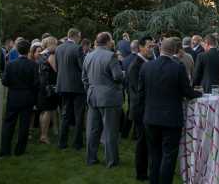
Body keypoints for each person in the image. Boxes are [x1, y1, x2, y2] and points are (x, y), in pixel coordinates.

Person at [138, 37, 202, 184]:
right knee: (168, 156)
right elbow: (187, 91)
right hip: (171, 119)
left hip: (151, 117)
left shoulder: (146, 67)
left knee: (154, 154)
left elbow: (141, 93)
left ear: (160, 49)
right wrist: (200, 93)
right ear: (174, 50)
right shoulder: (178, 67)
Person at [82, 31, 124, 167]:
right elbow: (117, 76)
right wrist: (124, 72)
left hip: (93, 95)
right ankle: (111, 161)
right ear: (107, 41)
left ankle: (91, 158)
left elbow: (84, 78)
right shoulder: (111, 56)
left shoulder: (88, 56)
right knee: (110, 131)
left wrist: (91, 89)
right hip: (109, 97)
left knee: (92, 130)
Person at [0, 38, 39, 156]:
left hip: (13, 96)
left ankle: (5, 150)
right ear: (28, 51)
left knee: (9, 123)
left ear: (17, 50)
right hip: (27, 97)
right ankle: (20, 150)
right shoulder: (33, 65)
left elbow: (5, 81)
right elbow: (36, 83)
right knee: (24, 124)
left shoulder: (11, 65)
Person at [128, 37, 155, 181]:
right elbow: (137, 91)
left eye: (153, 46)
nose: (152, 49)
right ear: (141, 48)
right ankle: (141, 173)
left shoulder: (148, 63)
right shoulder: (135, 66)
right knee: (142, 143)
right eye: (149, 46)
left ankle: (149, 170)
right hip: (141, 110)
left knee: (148, 142)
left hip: (148, 109)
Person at [55, 28, 86, 151]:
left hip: (63, 85)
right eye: (79, 36)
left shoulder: (59, 48)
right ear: (76, 36)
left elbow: (57, 67)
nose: (80, 39)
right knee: (79, 115)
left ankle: (62, 142)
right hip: (77, 86)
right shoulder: (77, 48)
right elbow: (83, 67)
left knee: (65, 114)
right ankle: (77, 143)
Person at [37, 36, 59, 144]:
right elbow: (56, 70)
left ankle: (42, 134)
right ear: (50, 44)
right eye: (55, 44)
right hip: (49, 87)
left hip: (42, 86)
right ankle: (44, 136)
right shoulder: (50, 55)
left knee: (43, 111)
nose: (57, 46)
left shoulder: (41, 55)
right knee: (48, 111)